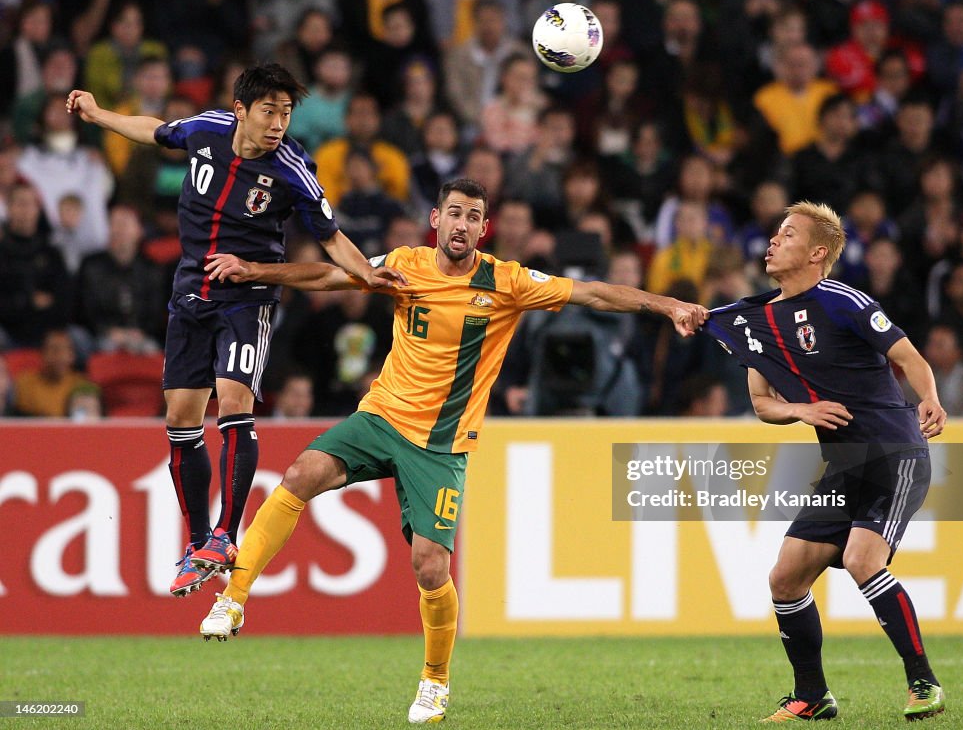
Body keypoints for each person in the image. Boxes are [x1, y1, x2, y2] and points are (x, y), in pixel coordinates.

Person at [195, 178, 707, 723]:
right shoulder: (404, 263)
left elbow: (593, 293)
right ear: (435, 218)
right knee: (299, 474)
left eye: (474, 217)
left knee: (429, 565)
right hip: (382, 416)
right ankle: (234, 597)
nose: (462, 224)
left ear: (484, 229)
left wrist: (665, 303)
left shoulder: (506, 281)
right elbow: (333, 274)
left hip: (440, 445)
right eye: (454, 213)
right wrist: (255, 272)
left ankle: (435, 682)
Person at [66, 62, 405, 598]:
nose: (278, 124)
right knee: (180, 418)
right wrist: (97, 113)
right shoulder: (205, 129)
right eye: (269, 111)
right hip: (190, 295)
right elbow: (154, 131)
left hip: (247, 300)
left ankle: (227, 532)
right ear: (241, 109)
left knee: (232, 399)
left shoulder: (293, 169)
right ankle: (200, 542)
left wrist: (367, 272)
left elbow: (331, 236)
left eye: (286, 113)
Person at [704, 201, 947, 722]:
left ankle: (923, 682)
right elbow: (762, 402)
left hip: (894, 452)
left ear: (817, 253)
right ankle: (812, 696)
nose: (773, 241)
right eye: (774, 232)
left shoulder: (844, 301)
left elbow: (909, 357)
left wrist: (928, 395)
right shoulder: (758, 319)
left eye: (787, 234)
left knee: (863, 559)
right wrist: (800, 409)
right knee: (785, 579)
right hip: (843, 467)